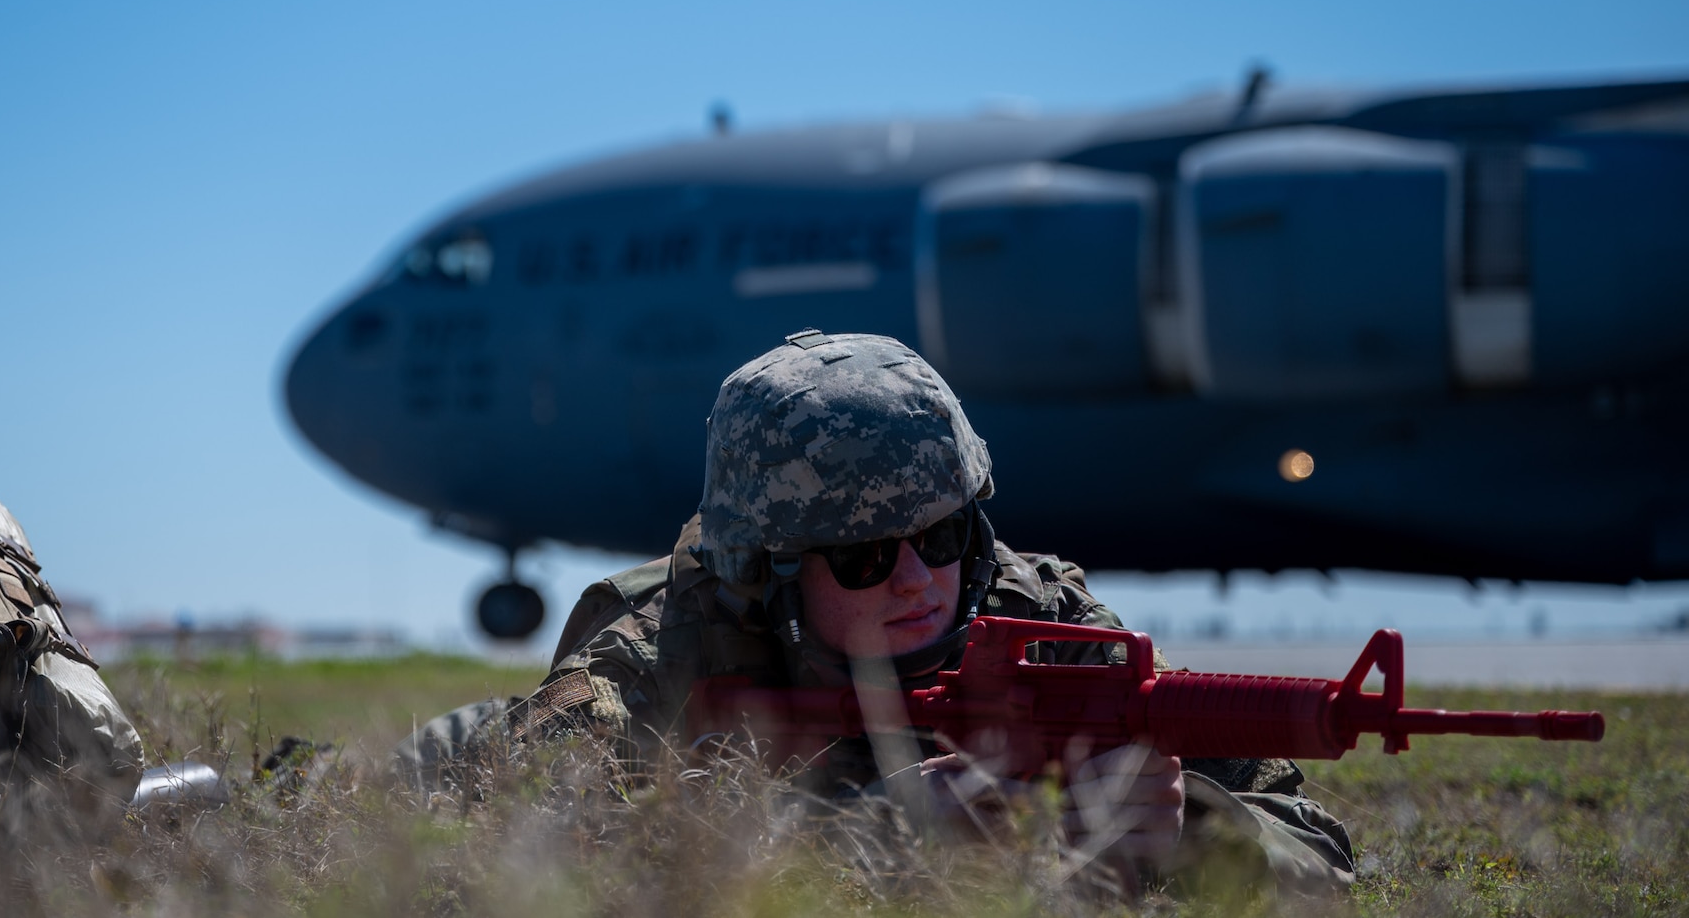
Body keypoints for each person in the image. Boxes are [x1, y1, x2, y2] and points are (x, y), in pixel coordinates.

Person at [402, 330, 1354, 893]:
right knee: (424, 768)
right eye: (860, 556)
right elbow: (526, 855)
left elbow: (1323, 858)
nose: (914, 577)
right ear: (769, 573)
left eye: (940, 537)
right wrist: (866, 837)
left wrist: (1199, 837)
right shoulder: (665, 649)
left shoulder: (1046, 624)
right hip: (474, 753)